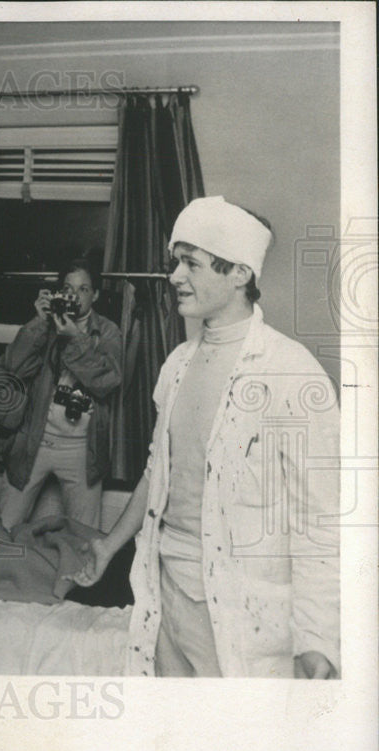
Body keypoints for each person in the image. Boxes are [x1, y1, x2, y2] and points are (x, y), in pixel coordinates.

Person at [66, 196, 340, 679]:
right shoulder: (177, 365)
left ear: (239, 274)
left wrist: (318, 640)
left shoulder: (292, 375)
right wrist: (110, 546)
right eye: (176, 262)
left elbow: (319, 522)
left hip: (244, 615)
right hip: (166, 594)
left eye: (190, 263)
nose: (174, 276)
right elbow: (159, 471)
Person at [0, 257, 123, 532]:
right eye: (68, 287)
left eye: (83, 289)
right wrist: (38, 323)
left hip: (82, 449)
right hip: (36, 441)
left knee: (82, 536)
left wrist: (75, 337)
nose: (73, 295)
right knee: (2, 526)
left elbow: (107, 380)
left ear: (95, 295)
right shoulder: (46, 324)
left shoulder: (109, 331)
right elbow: (13, 366)